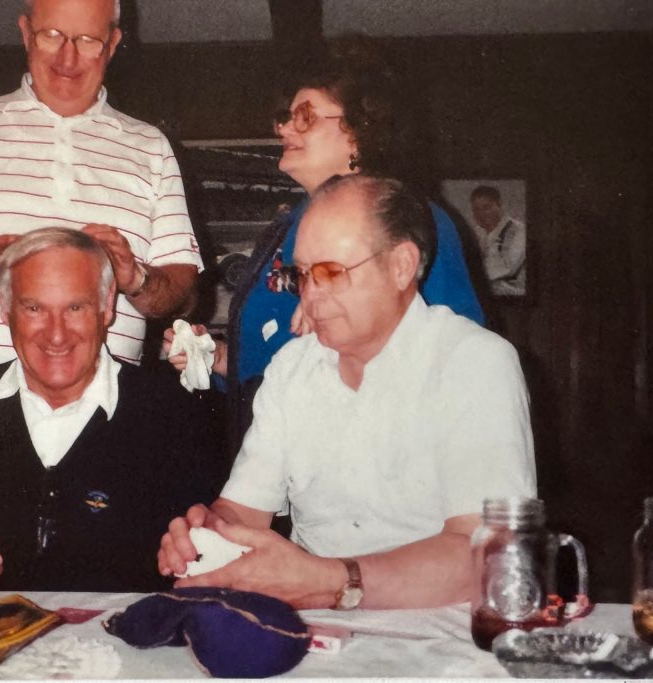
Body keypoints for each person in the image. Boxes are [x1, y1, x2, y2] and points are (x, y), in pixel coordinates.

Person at [157, 176, 535, 610]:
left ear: (401, 266)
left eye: (331, 273)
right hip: (314, 633)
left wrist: (334, 581)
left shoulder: (473, 362)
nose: (311, 296)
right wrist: (205, 533)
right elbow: (243, 510)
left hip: (443, 638)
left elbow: (487, 551)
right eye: (301, 275)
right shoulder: (292, 367)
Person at [0, 0, 201, 407]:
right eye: (51, 36)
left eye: (87, 40)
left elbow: (183, 292)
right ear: (26, 33)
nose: (68, 57)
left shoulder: (152, 148)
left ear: (112, 44)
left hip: (106, 425)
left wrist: (134, 278)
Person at [165, 49, 483, 453]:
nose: (285, 129)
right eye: (286, 117)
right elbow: (279, 356)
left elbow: (461, 355)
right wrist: (219, 360)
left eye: (306, 117)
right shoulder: (285, 228)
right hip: (276, 455)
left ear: (359, 130)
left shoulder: (412, 221)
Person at [0, 228, 224, 599]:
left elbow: (213, 568)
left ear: (107, 306)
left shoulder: (177, 415)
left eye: (75, 308)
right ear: (5, 309)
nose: (56, 335)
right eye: (34, 308)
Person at [470, 185, 526, 296]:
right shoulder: (474, 233)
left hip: (514, 296)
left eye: (486, 207)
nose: (481, 214)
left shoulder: (518, 231)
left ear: (499, 204)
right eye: (476, 209)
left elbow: (508, 268)